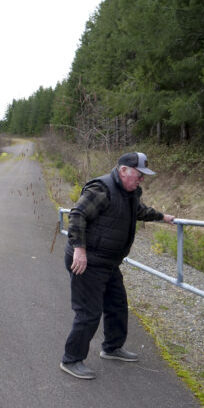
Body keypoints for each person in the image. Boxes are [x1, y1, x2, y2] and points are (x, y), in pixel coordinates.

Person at [60, 151, 175, 380]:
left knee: (117, 305)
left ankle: (112, 348)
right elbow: (77, 215)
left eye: (143, 176)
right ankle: (71, 359)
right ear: (123, 170)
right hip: (87, 261)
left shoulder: (129, 192)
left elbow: (139, 211)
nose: (142, 180)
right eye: (139, 175)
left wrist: (162, 217)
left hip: (108, 262)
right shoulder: (101, 189)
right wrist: (80, 251)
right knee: (89, 312)